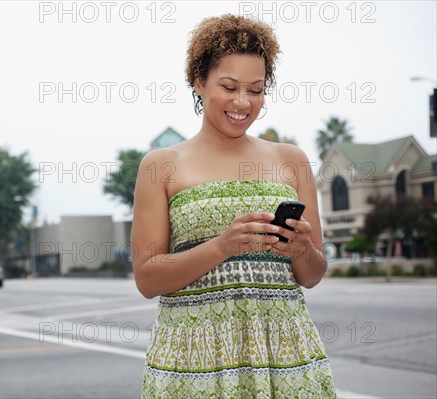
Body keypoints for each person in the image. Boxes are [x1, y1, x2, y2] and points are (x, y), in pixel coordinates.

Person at [131, 14, 337, 398]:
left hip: (283, 353)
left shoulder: (291, 159)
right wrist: (222, 246)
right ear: (198, 82)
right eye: (229, 87)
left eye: (256, 90)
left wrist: (301, 249)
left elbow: (312, 274)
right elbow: (147, 278)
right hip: (194, 358)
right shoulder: (161, 165)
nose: (243, 102)